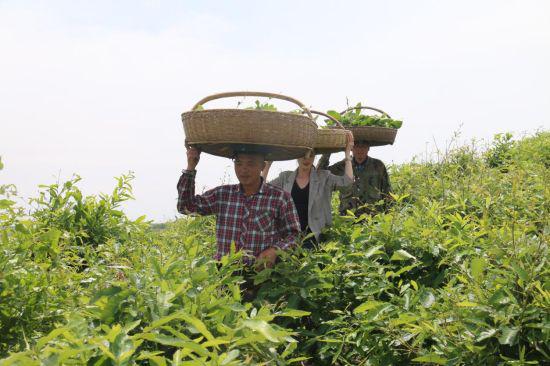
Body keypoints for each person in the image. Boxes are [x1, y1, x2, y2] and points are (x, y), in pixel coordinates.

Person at [177, 147, 301, 269]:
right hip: (225, 274)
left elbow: (294, 235)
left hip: (262, 275)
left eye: (250, 164)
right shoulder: (222, 195)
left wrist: (274, 251)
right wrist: (191, 167)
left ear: (263, 166)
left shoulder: (279, 198)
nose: (243, 170)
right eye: (239, 163)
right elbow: (186, 207)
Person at [261, 132, 354, 247]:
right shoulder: (285, 177)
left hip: (315, 236)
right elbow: (262, 188)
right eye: (303, 155)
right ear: (296, 156)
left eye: (311, 155)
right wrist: (268, 163)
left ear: (315, 156)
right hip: (288, 235)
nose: (307, 159)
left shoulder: (323, 177)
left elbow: (347, 183)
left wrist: (347, 155)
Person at [317, 140, 391, 216]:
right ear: (351, 148)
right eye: (357, 147)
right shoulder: (342, 166)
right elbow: (320, 175)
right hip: (347, 216)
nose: (360, 150)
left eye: (363, 147)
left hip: (373, 216)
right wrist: (327, 153)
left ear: (368, 148)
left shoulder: (378, 165)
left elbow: (387, 191)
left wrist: (390, 214)